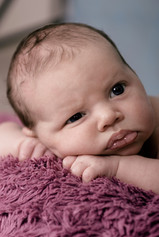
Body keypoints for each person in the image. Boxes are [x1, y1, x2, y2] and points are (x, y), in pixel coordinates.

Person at [1, 22, 159, 193]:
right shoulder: (50, 140)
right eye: (76, 116)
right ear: (39, 133)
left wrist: (117, 168)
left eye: (117, 90)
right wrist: (23, 145)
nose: (108, 116)